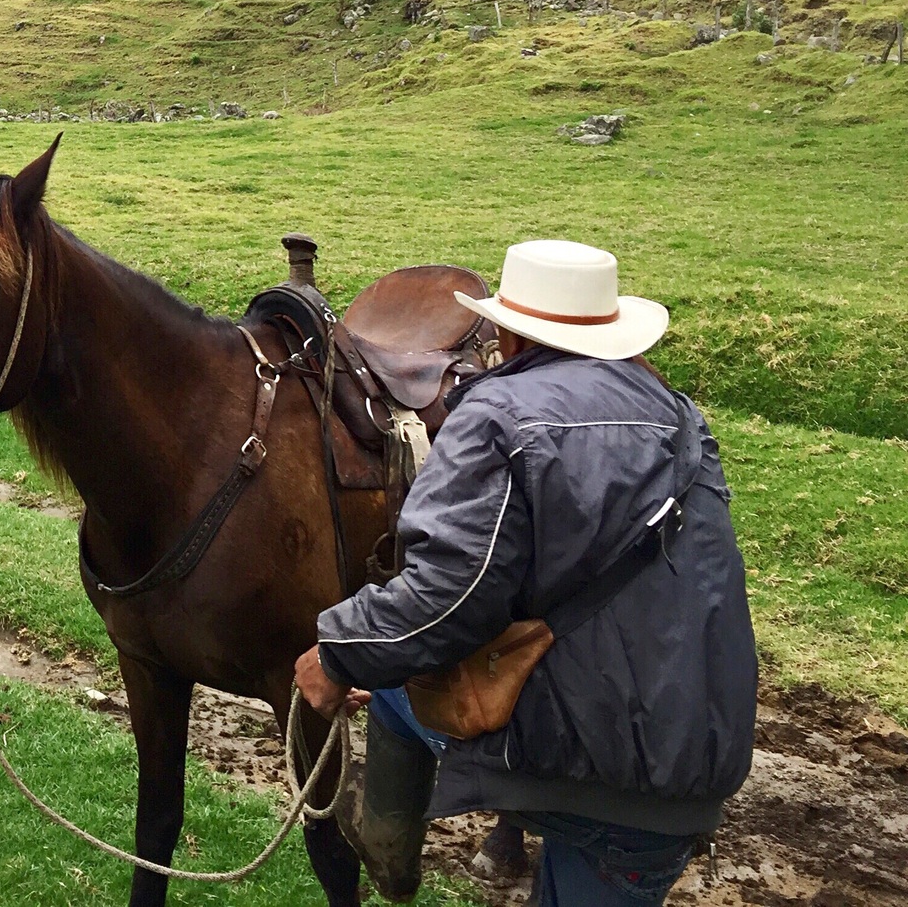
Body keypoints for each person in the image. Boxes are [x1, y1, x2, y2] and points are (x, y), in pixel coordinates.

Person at [293, 239, 756, 905]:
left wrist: (340, 653)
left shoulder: (497, 417)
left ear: (506, 334)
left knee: (395, 696)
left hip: (593, 762)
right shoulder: (680, 418)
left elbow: (447, 597)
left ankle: (389, 852)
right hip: (693, 752)